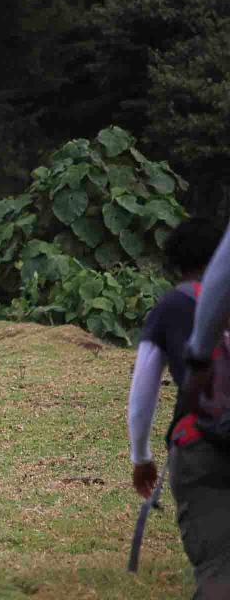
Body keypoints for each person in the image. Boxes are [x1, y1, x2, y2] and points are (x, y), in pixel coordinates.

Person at [126, 219, 227, 599]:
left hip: (202, 443)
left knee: (218, 565)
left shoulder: (171, 306)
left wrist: (141, 456)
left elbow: (143, 393)